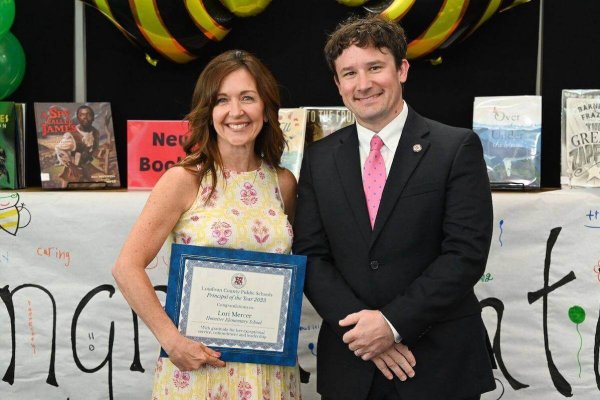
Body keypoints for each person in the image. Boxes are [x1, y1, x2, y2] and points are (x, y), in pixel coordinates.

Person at [292, 15, 496, 400]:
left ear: (401, 69)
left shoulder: (455, 148)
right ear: (338, 85)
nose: (363, 84)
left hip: (438, 366)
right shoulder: (319, 159)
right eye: (349, 73)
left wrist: (391, 324)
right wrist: (364, 332)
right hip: (351, 365)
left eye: (375, 67)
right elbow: (311, 256)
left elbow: (465, 254)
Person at [112, 50, 300, 399]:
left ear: (266, 107)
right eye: (222, 100)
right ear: (207, 111)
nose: (236, 112)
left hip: (267, 373)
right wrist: (172, 340)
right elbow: (127, 267)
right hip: (198, 372)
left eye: (248, 98)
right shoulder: (184, 180)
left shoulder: (282, 183)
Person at [55, 104, 102, 185]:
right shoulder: (71, 135)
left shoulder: (95, 133)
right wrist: (71, 165)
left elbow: (94, 150)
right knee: (69, 191)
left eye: (88, 115)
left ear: (93, 118)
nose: (85, 117)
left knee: (104, 179)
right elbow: (59, 149)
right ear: (78, 118)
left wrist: (100, 153)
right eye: (82, 115)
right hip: (73, 169)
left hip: (87, 166)